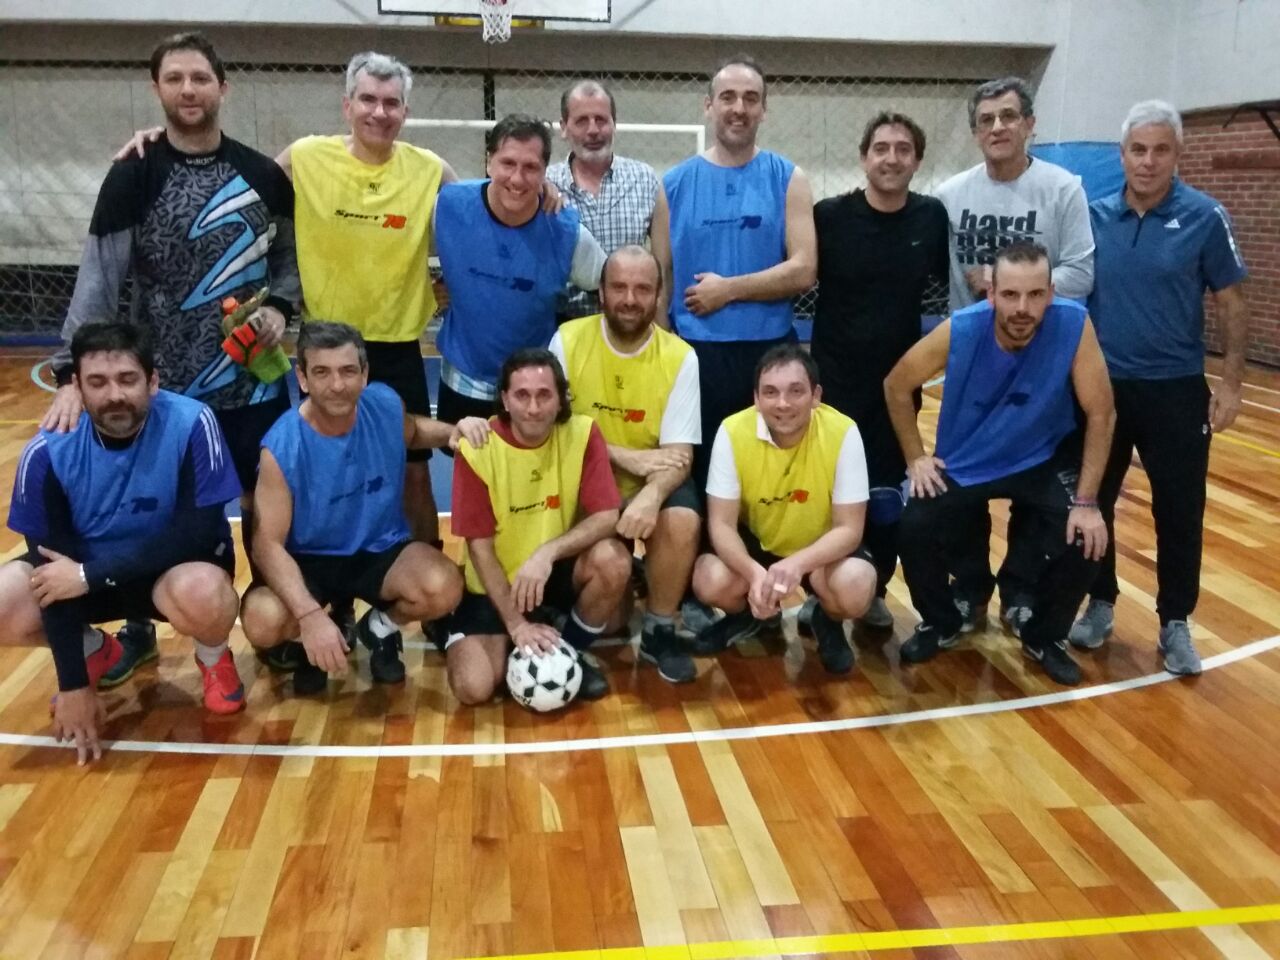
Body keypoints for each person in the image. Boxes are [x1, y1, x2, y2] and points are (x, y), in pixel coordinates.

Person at [45, 31, 300, 687]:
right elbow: (99, 279)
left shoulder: (264, 175)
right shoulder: (133, 174)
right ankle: (139, 627)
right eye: (176, 78)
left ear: (223, 88)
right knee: (154, 511)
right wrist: (74, 373)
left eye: (200, 78)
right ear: (156, 88)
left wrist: (280, 309)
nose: (189, 90)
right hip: (165, 395)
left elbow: (287, 263)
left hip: (252, 387)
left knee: (262, 503)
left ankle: (269, 618)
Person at [0, 323, 246, 763]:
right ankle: (94, 651)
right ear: (76, 387)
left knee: (206, 591)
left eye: (127, 379)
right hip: (82, 581)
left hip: (167, 572)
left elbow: (198, 533)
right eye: (97, 382)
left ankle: (213, 658)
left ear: (152, 382)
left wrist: (90, 574)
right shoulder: (48, 451)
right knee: (7, 600)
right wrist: (73, 684)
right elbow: (50, 569)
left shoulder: (193, 422)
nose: (114, 395)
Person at [1068, 100, 1250, 675]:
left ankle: (1175, 622)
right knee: (1091, 499)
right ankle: (1100, 601)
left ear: (1177, 155)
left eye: (1160, 150)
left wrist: (1231, 383)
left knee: (1179, 510)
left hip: (1176, 390)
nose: (1148, 161)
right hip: (1103, 391)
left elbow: (1232, 302)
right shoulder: (1093, 217)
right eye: (1138, 150)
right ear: (1122, 155)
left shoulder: (1206, 216)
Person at [884, 242, 1114, 687]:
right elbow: (896, 385)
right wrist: (916, 458)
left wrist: (1087, 502)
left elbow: (1102, 413)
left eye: (1035, 295)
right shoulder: (962, 329)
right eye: (1010, 295)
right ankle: (941, 621)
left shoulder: (1073, 324)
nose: (1022, 308)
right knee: (913, 525)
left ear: (1051, 294)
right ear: (991, 294)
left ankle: (1045, 635)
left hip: (1040, 458)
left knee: (1087, 535)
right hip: (965, 460)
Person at [936, 76, 1096, 634]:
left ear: (1029, 124)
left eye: (1009, 116)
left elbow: (1081, 272)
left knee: (1038, 481)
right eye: (987, 119)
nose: (998, 127)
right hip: (975, 366)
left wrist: (1013, 286)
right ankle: (970, 586)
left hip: (1042, 363)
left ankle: (1021, 589)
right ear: (975, 131)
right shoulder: (951, 195)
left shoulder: (1063, 189)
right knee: (960, 484)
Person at [239, 322, 479, 695]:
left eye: (348, 370)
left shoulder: (383, 405)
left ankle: (379, 628)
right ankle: (313, 639)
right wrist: (309, 615)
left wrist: (453, 432)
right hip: (311, 561)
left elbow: (413, 432)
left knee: (444, 587)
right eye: (322, 372)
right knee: (261, 619)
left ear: (364, 374)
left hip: (378, 551)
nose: (337, 384)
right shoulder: (282, 446)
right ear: (302, 378)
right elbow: (266, 545)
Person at [810, 111, 949, 630]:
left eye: (903, 149)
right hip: (833, 382)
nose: (892, 158)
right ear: (864, 157)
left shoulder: (931, 217)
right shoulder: (829, 216)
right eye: (882, 148)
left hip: (897, 387)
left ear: (917, 160)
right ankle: (821, 587)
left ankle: (875, 588)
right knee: (831, 491)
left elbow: (948, 285)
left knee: (887, 495)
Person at [662, 55, 817, 490]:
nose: (739, 108)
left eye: (751, 98)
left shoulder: (789, 178)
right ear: (708, 105)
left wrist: (728, 290)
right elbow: (662, 277)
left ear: (764, 109)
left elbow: (804, 269)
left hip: (769, 352)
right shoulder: (672, 185)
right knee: (703, 475)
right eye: (728, 97)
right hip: (696, 354)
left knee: (771, 476)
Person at [549, 246, 700, 684]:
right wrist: (623, 455)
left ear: (658, 296)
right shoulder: (567, 340)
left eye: (642, 289)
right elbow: (555, 433)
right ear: (601, 292)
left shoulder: (680, 357)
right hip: (586, 484)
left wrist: (652, 494)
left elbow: (679, 456)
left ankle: (659, 629)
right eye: (619, 287)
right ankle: (596, 586)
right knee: (612, 621)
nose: (630, 299)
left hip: (645, 484)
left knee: (682, 517)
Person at [448, 349, 631, 704]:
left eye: (544, 395)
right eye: (522, 395)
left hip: (550, 574)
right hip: (495, 584)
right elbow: (480, 549)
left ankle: (567, 653)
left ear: (561, 398)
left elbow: (607, 515)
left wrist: (547, 553)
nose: (533, 408)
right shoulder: (478, 448)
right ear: (505, 399)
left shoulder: (583, 433)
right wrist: (516, 624)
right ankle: (487, 634)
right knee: (473, 688)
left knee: (614, 560)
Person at [690, 343, 877, 676]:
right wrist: (754, 574)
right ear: (756, 398)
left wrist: (797, 564)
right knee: (709, 579)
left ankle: (825, 617)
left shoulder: (843, 431)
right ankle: (750, 617)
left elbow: (850, 528)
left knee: (856, 585)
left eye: (796, 391)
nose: (783, 403)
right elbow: (721, 525)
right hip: (758, 545)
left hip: (819, 551)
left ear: (816, 395)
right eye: (770, 392)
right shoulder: (732, 431)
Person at [434, 115, 608, 425]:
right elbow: (401, 253)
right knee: (462, 456)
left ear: (545, 172)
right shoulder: (447, 207)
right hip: (464, 378)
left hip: (533, 390)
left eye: (530, 168)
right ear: (489, 162)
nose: (517, 178)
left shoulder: (566, 231)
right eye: (508, 163)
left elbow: (609, 285)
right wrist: (429, 288)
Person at [547, 79, 672, 320]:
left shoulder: (645, 179)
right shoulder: (546, 185)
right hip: (565, 326)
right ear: (563, 127)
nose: (593, 130)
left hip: (632, 325)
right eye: (581, 121)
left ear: (614, 124)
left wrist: (661, 330)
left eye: (601, 120)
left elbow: (662, 269)